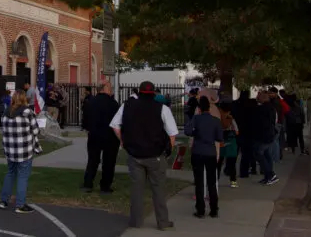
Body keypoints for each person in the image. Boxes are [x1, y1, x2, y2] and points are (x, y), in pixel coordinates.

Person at [112, 81, 178, 231]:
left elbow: (115, 126)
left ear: (139, 92)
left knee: (137, 190)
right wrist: (167, 151)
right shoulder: (163, 109)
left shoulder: (127, 106)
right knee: (158, 190)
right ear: (154, 93)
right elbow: (172, 134)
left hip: (135, 155)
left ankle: (136, 221)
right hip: (156, 155)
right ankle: (162, 222)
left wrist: (123, 141)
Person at [0, 89, 42, 214]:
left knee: (10, 173)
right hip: (24, 150)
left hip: (10, 150)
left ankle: (4, 201)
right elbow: (36, 131)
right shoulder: (27, 112)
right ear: (24, 99)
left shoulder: (5, 112)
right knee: (23, 176)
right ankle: (20, 204)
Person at [186, 96, 223, 218]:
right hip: (211, 153)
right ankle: (214, 209)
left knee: (199, 182)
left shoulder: (196, 119)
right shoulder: (215, 120)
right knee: (212, 182)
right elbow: (219, 138)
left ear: (199, 108)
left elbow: (188, 131)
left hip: (198, 152)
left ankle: (200, 210)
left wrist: (196, 132)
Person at [82, 81, 120, 194]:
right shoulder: (113, 104)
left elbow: (85, 122)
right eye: (109, 87)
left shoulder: (90, 102)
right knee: (109, 162)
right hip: (110, 137)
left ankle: (88, 184)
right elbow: (118, 122)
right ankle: (105, 186)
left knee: (93, 160)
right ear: (104, 89)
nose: (111, 89)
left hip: (94, 136)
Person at [253, 91, 279, 185]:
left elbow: (260, 123)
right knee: (266, 154)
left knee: (258, 153)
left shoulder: (262, 109)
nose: (256, 98)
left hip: (264, 135)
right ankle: (268, 176)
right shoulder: (271, 108)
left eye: (258, 96)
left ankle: (270, 175)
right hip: (269, 134)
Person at [232, 90, 258, 178]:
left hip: (237, 130)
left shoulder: (235, 104)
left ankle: (230, 169)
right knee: (246, 153)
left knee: (234, 152)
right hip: (249, 131)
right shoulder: (252, 104)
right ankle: (244, 172)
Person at [217, 103, 239, 188]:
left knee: (218, 163)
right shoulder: (231, 119)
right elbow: (237, 131)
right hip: (231, 142)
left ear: (220, 110)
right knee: (232, 163)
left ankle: (216, 180)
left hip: (220, 142)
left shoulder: (217, 119)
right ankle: (233, 181)